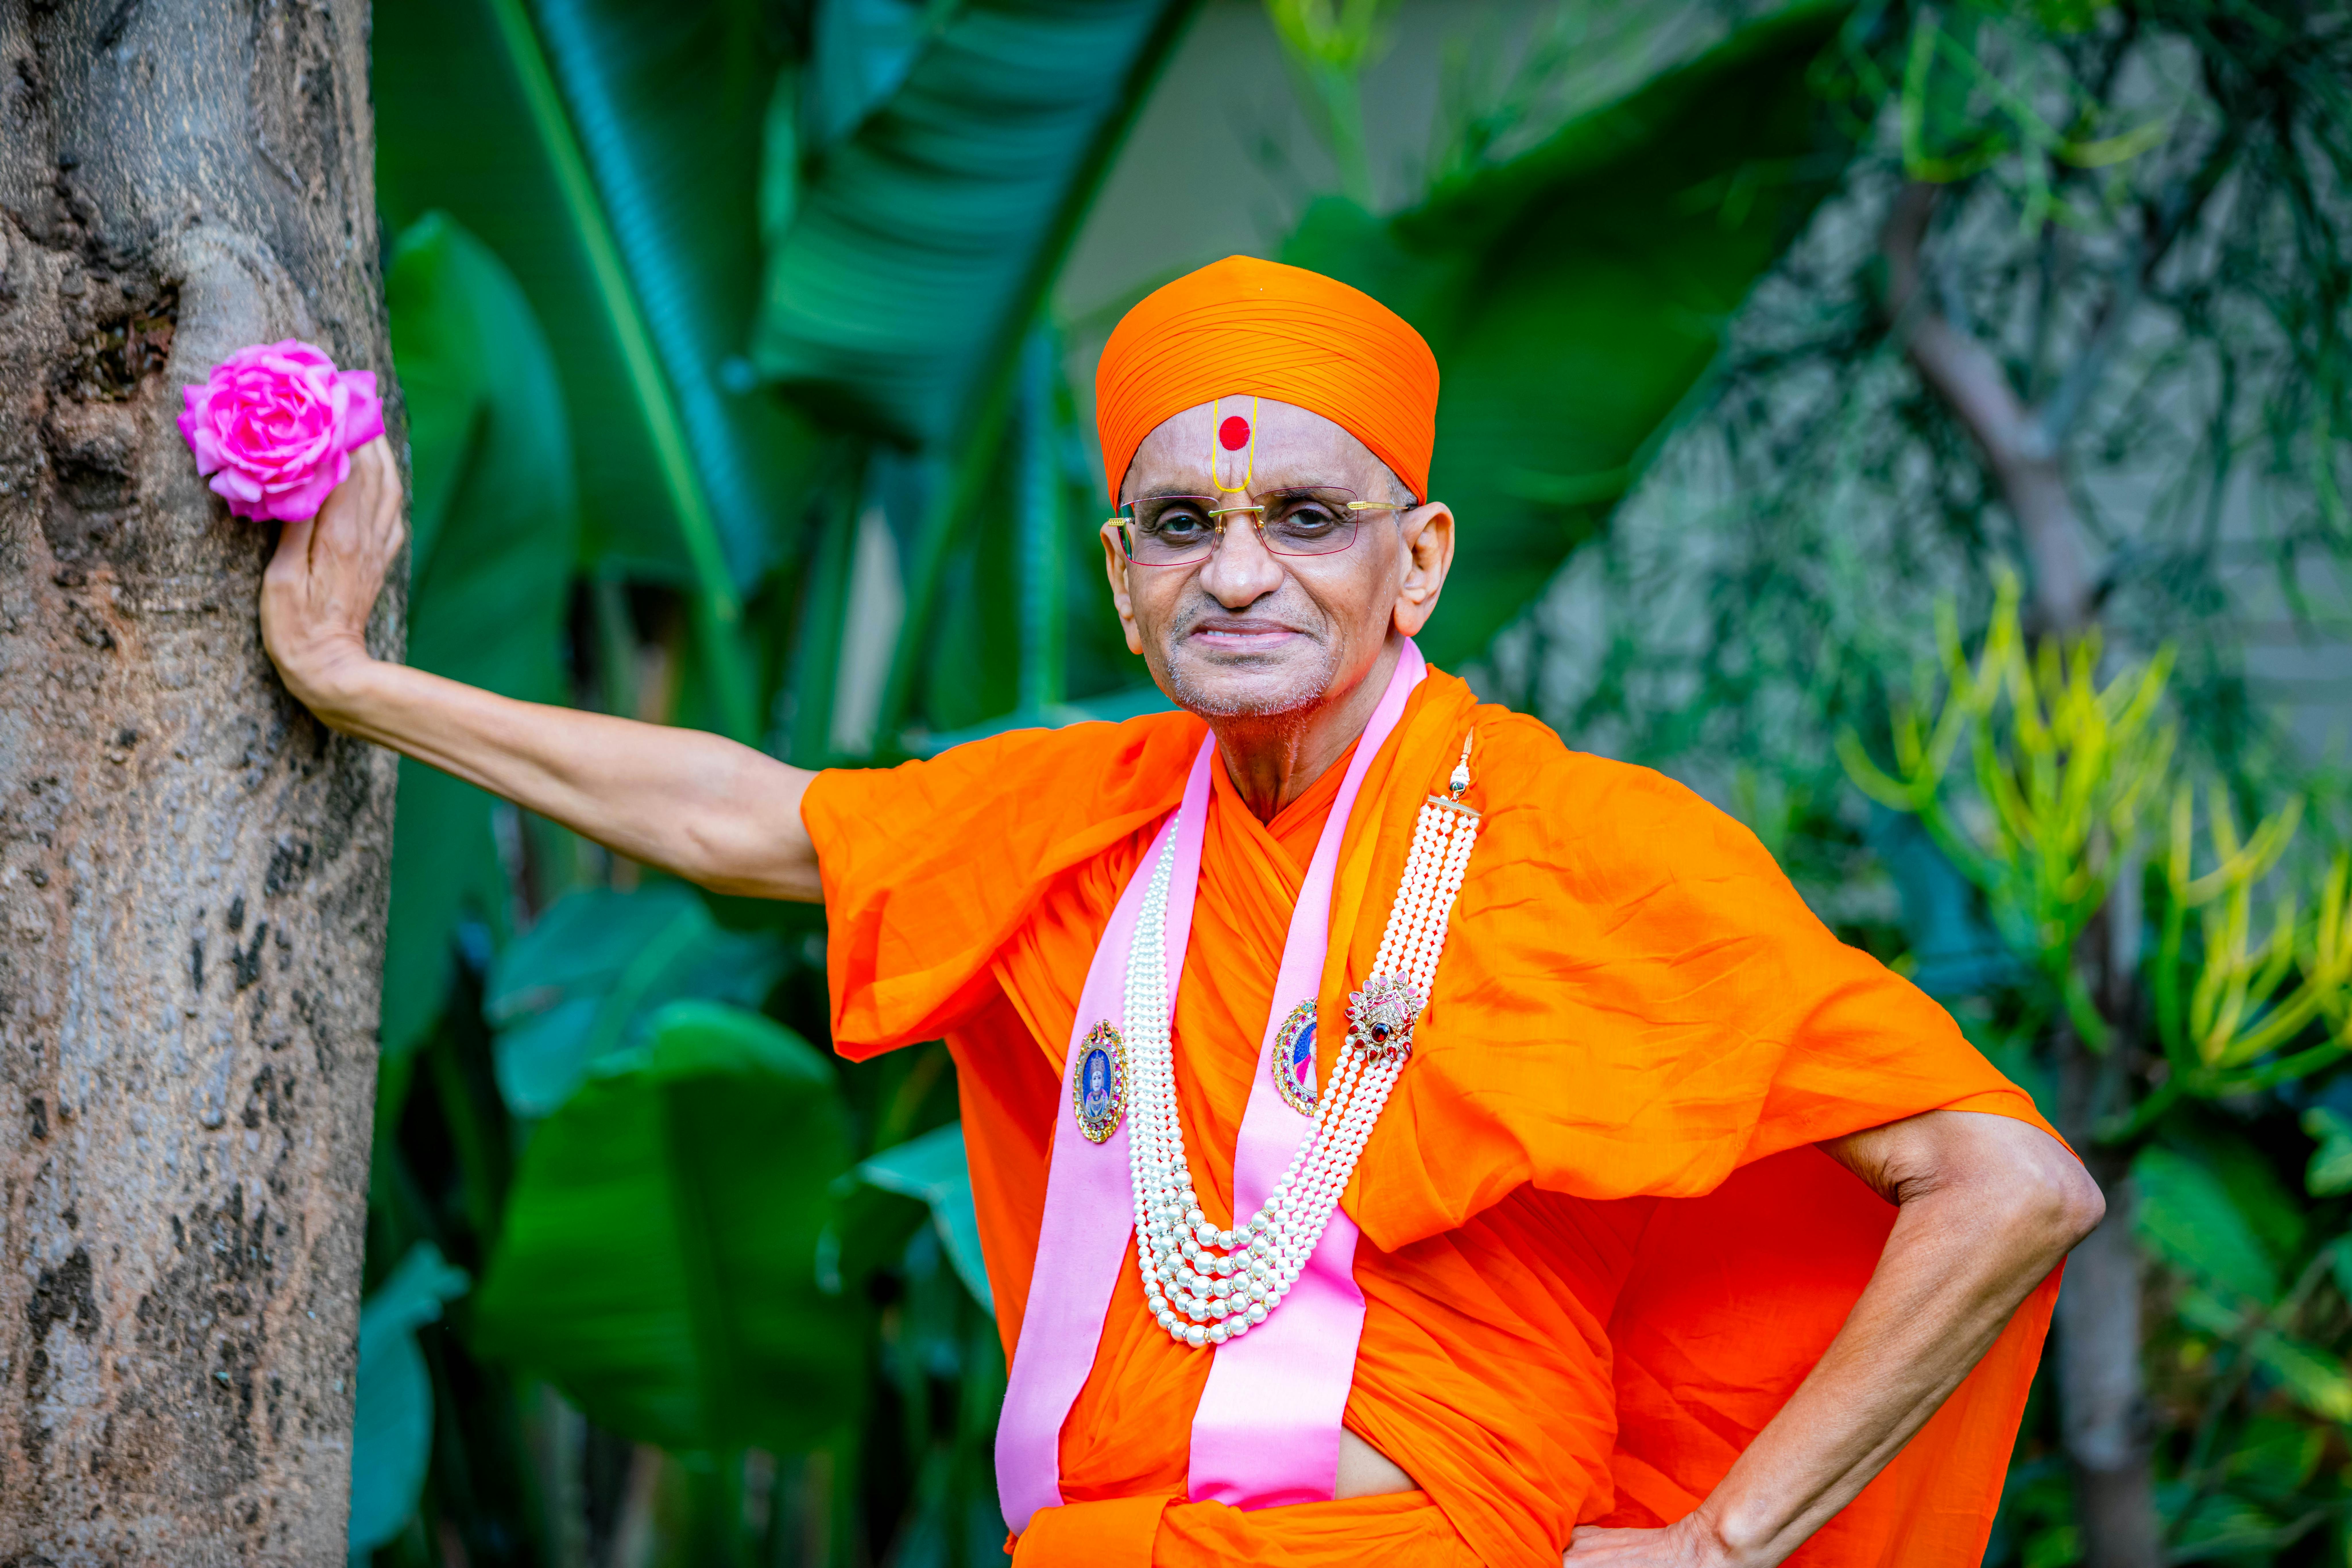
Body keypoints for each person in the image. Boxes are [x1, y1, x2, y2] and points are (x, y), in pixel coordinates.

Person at [263, 255, 2102, 1568]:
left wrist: (1716, 1549)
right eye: (1177, 524)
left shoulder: (1578, 845)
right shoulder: (1089, 823)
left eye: (1306, 514)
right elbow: (744, 817)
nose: (1239, 570)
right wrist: (359, 685)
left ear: (1421, 561)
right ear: (1122, 585)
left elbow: (2011, 1183)